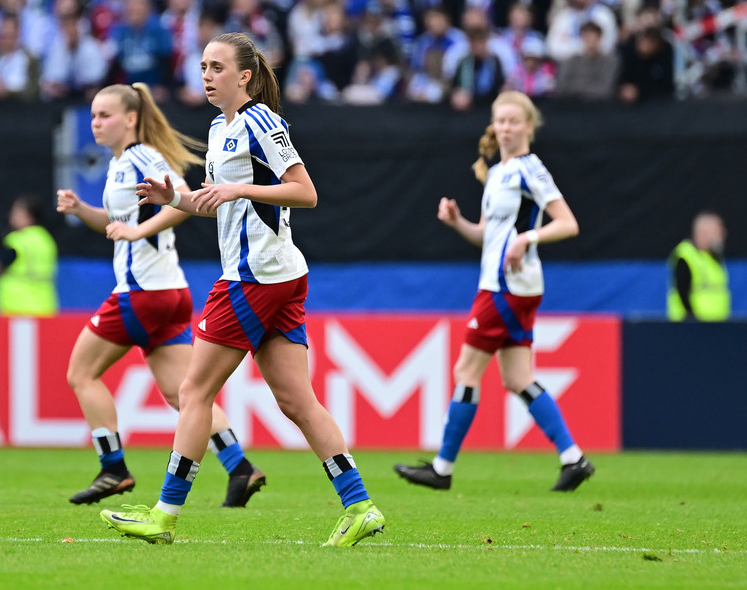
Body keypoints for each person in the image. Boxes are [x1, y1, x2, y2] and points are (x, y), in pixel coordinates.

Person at [100, 32, 385, 547]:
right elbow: (215, 202)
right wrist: (176, 198)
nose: (206, 76)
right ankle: (360, 505)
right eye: (203, 66)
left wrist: (239, 187)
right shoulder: (218, 127)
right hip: (275, 276)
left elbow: (306, 193)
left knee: (193, 392)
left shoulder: (261, 121)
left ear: (245, 76)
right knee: (298, 401)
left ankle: (164, 515)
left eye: (216, 67)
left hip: (255, 279)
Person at [55, 82, 265, 508]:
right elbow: (117, 225)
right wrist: (83, 210)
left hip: (142, 293)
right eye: (93, 115)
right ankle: (239, 467)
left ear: (131, 118)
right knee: (184, 394)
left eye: (105, 115)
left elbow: (179, 203)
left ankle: (113, 468)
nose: (96, 123)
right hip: (167, 293)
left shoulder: (141, 158)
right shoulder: (122, 164)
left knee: (81, 373)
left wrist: (138, 229)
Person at [394, 91, 595, 493]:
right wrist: (458, 222)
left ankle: (443, 467)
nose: (505, 128)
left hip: (506, 286)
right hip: (509, 283)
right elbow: (487, 235)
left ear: (528, 126)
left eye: (513, 121)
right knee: (518, 377)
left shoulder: (529, 169)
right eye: (500, 121)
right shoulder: (499, 171)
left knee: (465, 371)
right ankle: (573, 458)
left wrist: (527, 239)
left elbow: (567, 223)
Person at [0, 195, 59, 316]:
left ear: (28, 216)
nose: (11, 215)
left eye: (16, 211)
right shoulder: (47, 240)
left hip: (16, 309)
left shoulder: (16, 241)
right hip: (45, 308)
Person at [667, 212, 731, 322]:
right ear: (704, 232)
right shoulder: (685, 256)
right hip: (691, 327)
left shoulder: (712, 257)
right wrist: (692, 319)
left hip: (717, 325)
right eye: (718, 231)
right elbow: (683, 291)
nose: (723, 235)